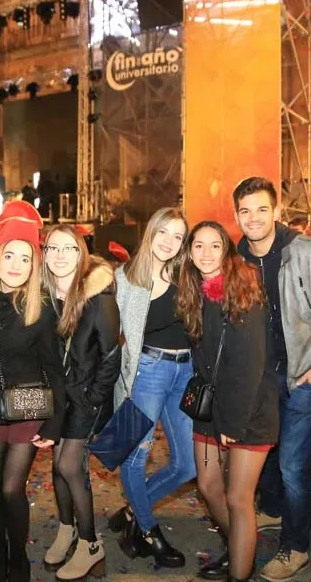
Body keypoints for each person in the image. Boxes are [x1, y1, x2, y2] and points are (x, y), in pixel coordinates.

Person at [232, 177, 311, 582]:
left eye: (262, 209)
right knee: (269, 454)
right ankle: (273, 510)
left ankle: (296, 547)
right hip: (261, 381)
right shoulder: (235, 259)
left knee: (292, 464)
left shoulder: (310, 251)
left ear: (276, 211)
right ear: (237, 215)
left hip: (306, 377)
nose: (254, 218)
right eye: (245, 211)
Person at [0, 201, 66, 582]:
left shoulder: (41, 308)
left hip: (28, 406)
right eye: (9, 255)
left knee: (11, 490)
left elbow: (54, 369)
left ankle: (18, 559)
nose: (16, 265)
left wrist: (55, 424)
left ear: (33, 266)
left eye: (25, 258)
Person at [177, 221, 277, 582]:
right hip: (210, 407)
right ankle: (239, 547)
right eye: (198, 246)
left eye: (215, 246)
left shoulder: (242, 290)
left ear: (227, 251)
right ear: (189, 253)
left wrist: (233, 423)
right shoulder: (194, 291)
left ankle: (240, 572)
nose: (206, 253)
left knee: (238, 497)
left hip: (248, 410)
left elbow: (250, 366)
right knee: (208, 486)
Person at [108, 207, 195, 568]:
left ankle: (133, 509)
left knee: (188, 465)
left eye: (178, 236)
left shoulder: (187, 274)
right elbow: (107, 333)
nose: (169, 242)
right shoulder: (125, 278)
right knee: (136, 456)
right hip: (146, 372)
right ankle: (146, 530)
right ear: (150, 232)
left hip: (186, 371)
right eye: (164, 232)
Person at [41, 224, 121, 580]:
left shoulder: (98, 296)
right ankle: (66, 528)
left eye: (68, 248)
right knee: (56, 465)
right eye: (53, 248)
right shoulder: (44, 295)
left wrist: (93, 398)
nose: (60, 255)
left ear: (81, 253)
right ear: (44, 254)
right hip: (59, 397)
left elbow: (111, 356)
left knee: (69, 465)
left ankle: (90, 543)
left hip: (87, 397)